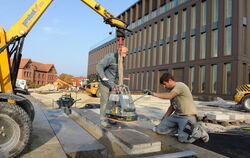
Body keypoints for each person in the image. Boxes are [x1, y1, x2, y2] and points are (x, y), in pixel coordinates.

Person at [144, 73, 209, 143]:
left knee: (183, 139)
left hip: (187, 117)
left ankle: (199, 131)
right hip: (176, 116)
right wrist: (164, 118)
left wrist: (153, 94)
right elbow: (172, 107)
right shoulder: (171, 90)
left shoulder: (180, 86)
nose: (164, 86)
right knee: (159, 129)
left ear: (170, 80)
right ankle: (182, 129)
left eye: (164, 84)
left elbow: (170, 95)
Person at [96, 46, 128, 128]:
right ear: (119, 51)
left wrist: (121, 80)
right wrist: (103, 76)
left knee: (113, 102)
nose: (126, 55)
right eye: (124, 53)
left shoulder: (122, 59)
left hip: (113, 84)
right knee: (104, 102)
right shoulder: (110, 57)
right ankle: (103, 120)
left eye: (126, 53)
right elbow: (99, 66)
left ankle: (111, 118)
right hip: (105, 83)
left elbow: (118, 71)